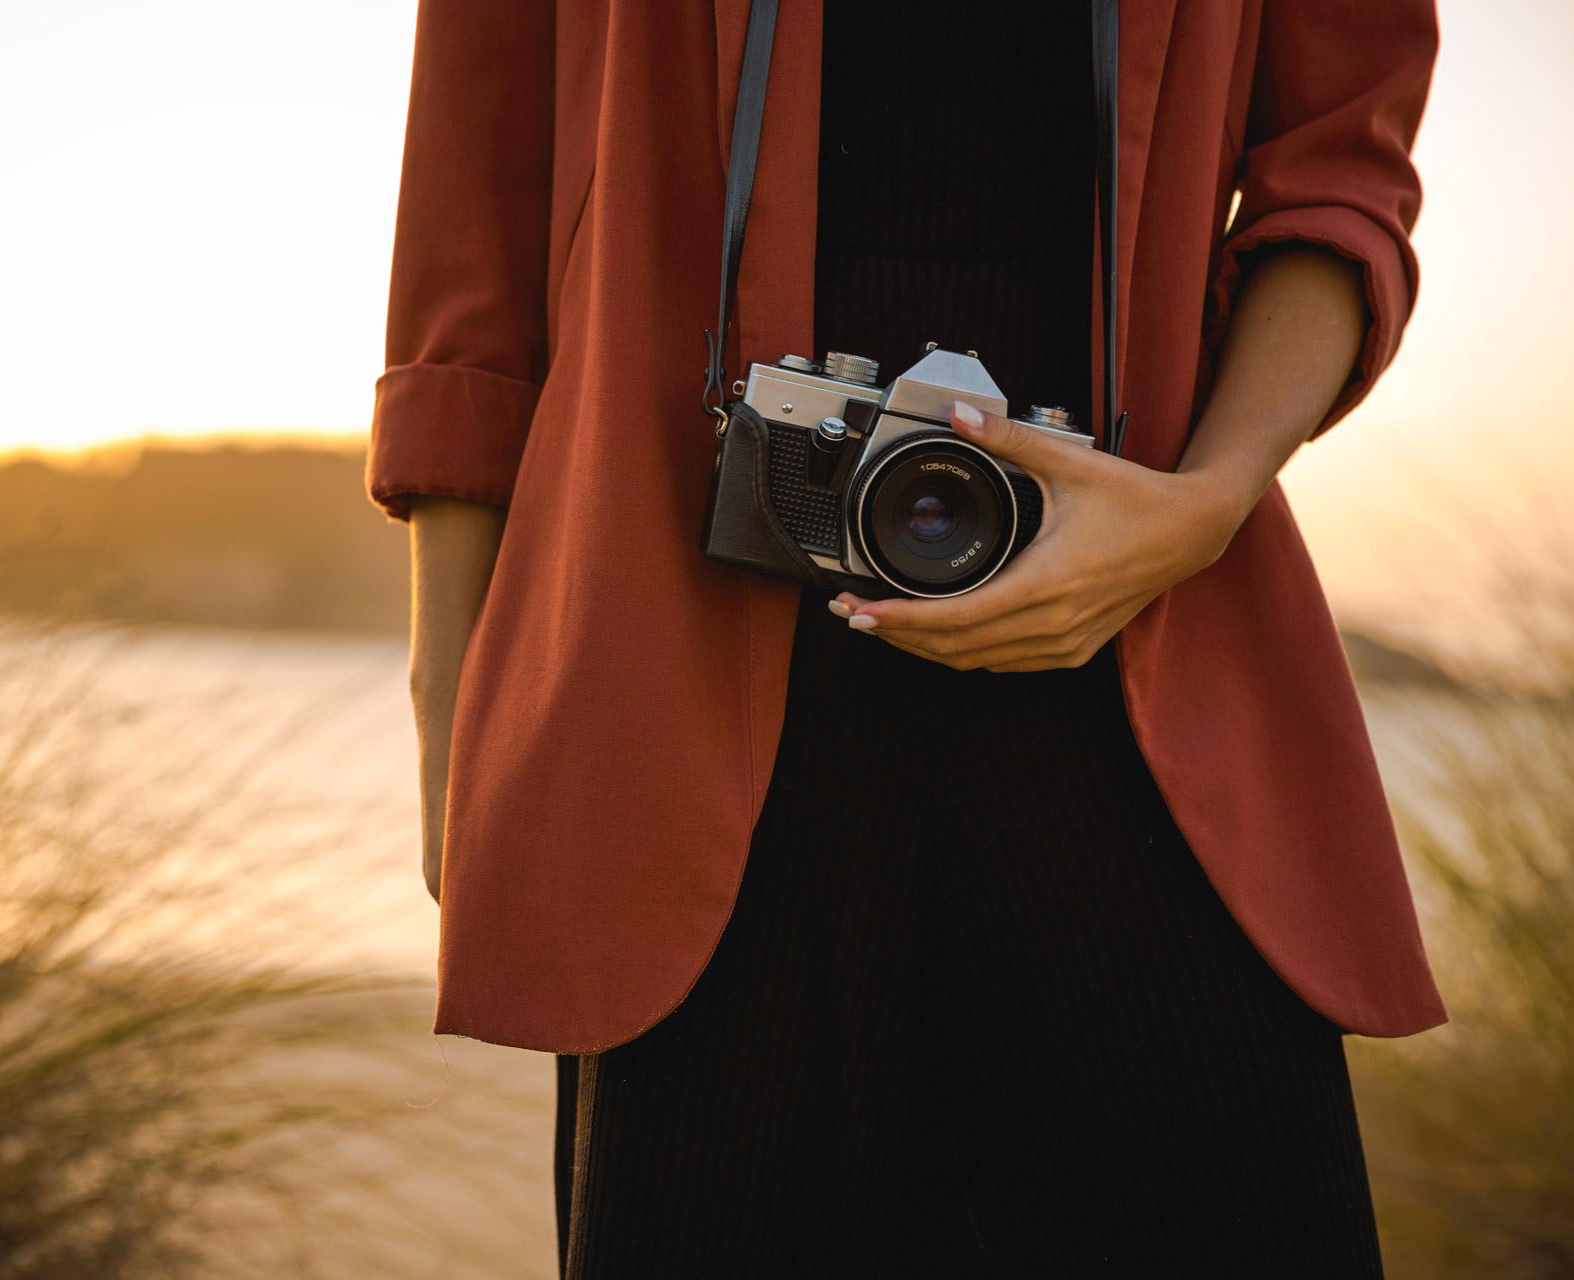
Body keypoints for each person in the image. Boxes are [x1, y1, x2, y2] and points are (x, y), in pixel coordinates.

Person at [369, 0, 1444, 1273]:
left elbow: (1335, 175)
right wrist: (454, 689)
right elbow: (472, 224)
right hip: (678, 655)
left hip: (1134, 635)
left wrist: (1202, 506)